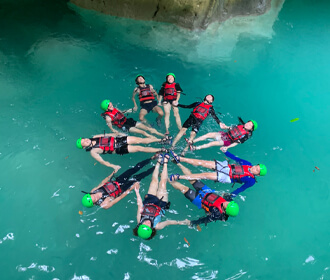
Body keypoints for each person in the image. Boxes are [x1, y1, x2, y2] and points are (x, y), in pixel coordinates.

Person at [133, 154, 190, 240]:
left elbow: (140, 205)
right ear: (151, 229)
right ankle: (166, 163)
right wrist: (182, 222)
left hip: (149, 202)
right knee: (163, 183)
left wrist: (137, 192)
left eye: (144, 224)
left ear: (140, 225)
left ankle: (159, 162)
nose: (147, 223)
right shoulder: (157, 226)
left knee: (154, 181)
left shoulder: (139, 220)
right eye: (149, 226)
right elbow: (168, 222)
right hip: (160, 205)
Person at [169, 162, 239, 227]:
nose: (226, 202)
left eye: (227, 205)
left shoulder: (217, 215)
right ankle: (178, 163)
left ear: (225, 210)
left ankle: (167, 178)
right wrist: (224, 194)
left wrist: (192, 223)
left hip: (199, 200)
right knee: (192, 178)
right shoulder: (228, 200)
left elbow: (205, 220)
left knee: (184, 188)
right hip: (207, 191)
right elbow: (227, 195)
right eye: (229, 202)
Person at [169, 151, 267, 197]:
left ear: (257, 175)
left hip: (227, 177)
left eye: (257, 170)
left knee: (205, 175)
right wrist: (226, 152)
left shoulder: (251, 181)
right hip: (226, 166)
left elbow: (242, 188)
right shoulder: (248, 164)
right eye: (256, 166)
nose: (254, 168)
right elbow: (236, 159)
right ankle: (180, 158)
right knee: (202, 162)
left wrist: (231, 195)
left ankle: (180, 177)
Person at [81, 157, 156, 209]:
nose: (96, 196)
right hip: (122, 188)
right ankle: (156, 167)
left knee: (134, 169)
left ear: (90, 194)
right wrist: (131, 188)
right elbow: (120, 197)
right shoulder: (105, 204)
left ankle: (151, 158)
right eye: (95, 199)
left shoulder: (94, 190)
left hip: (118, 181)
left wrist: (112, 174)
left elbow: (103, 183)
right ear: (94, 203)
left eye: (93, 196)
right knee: (140, 176)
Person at [76, 134, 168, 172]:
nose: (86, 140)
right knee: (140, 148)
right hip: (118, 149)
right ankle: (161, 149)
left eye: (84, 139)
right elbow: (102, 161)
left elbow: (108, 135)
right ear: (84, 147)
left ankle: (161, 140)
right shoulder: (93, 151)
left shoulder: (95, 136)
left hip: (119, 139)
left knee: (140, 140)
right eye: (83, 142)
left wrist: (118, 134)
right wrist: (113, 166)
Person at [100, 99, 164, 138]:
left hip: (128, 121)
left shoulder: (114, 109)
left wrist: (131, 110)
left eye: (111, 104)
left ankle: (162, 135)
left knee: (147, 128)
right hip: (124, 126)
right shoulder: (108, 118)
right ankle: (156, 139)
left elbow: (121, 113)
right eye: (110, 106)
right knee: (143, 132)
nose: (112, 105)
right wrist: (118, 133)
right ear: (107, 108)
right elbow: (111, 129)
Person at [190, 118, 258, 153]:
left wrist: (227, 147)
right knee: (209, 134)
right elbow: (231, 129)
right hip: (225, 134)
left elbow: (236, 143)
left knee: (212, 143)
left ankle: (195, 148)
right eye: (248, 122)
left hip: (227, 141)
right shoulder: (240, 125)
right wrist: (225, 127)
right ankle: (192, 141)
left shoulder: (246, 135)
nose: (247, 124)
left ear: (251, 129)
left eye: (249, 125)